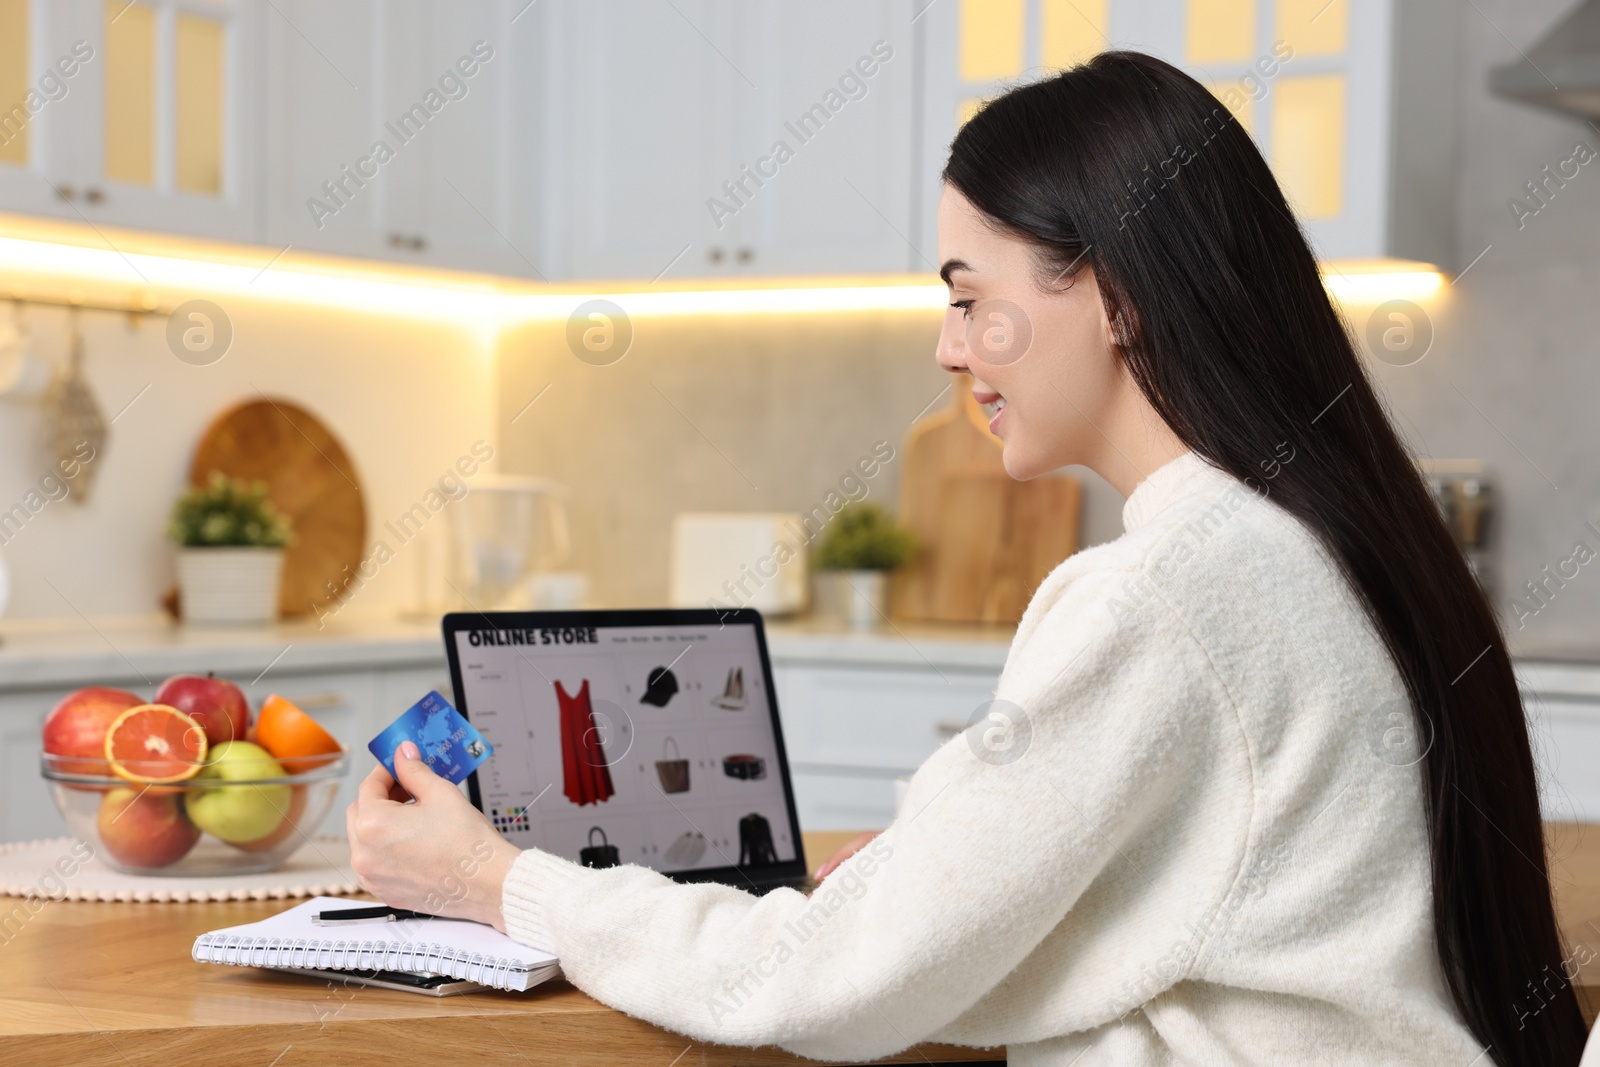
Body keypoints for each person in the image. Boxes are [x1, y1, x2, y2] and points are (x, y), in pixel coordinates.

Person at [348, 51, 1584, 1065]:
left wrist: (497, 878)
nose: (948, 347)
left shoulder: (1162, 589)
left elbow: (824, 987)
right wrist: (931, 876)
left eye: (966, 292)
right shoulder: (1319, 536)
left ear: (1113, 295)